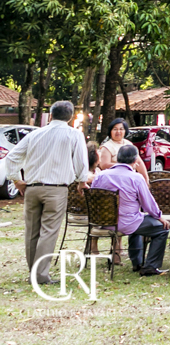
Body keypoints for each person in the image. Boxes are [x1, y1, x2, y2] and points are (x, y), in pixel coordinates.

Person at [0, 100, 88, 285]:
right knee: (48, 232)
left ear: (51, 115)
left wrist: (16, 180)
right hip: (56, 189)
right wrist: (81, 181)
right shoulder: (73, 134)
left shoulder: (35, 134)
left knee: (32, 231)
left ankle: (33, 271)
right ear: (70, 117)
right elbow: (81, 160)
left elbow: (12, 157)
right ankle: (40, 275)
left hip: (32, 188)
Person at [90, 144, 170, 276]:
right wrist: (159, 216)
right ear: (135, 160)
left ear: (118, 158)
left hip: (104, 222)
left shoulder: (101, 176)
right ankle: (150, 266)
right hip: (127, 222)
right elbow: (148, 203)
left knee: (138, 219)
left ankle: (137, 262)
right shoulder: (136, 178)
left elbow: (94, 198)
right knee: (162, 228)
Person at [97, 118, 150, 184]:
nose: (118, 132)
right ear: (110, 131)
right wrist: (126, 166)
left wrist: (146, 180)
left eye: (121, 129)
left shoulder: (129, 144)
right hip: (114, 181)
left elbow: (139, 162)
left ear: (125, 131)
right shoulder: (107, 147)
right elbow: (104, 165)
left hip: (130, 180)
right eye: (115, 129)